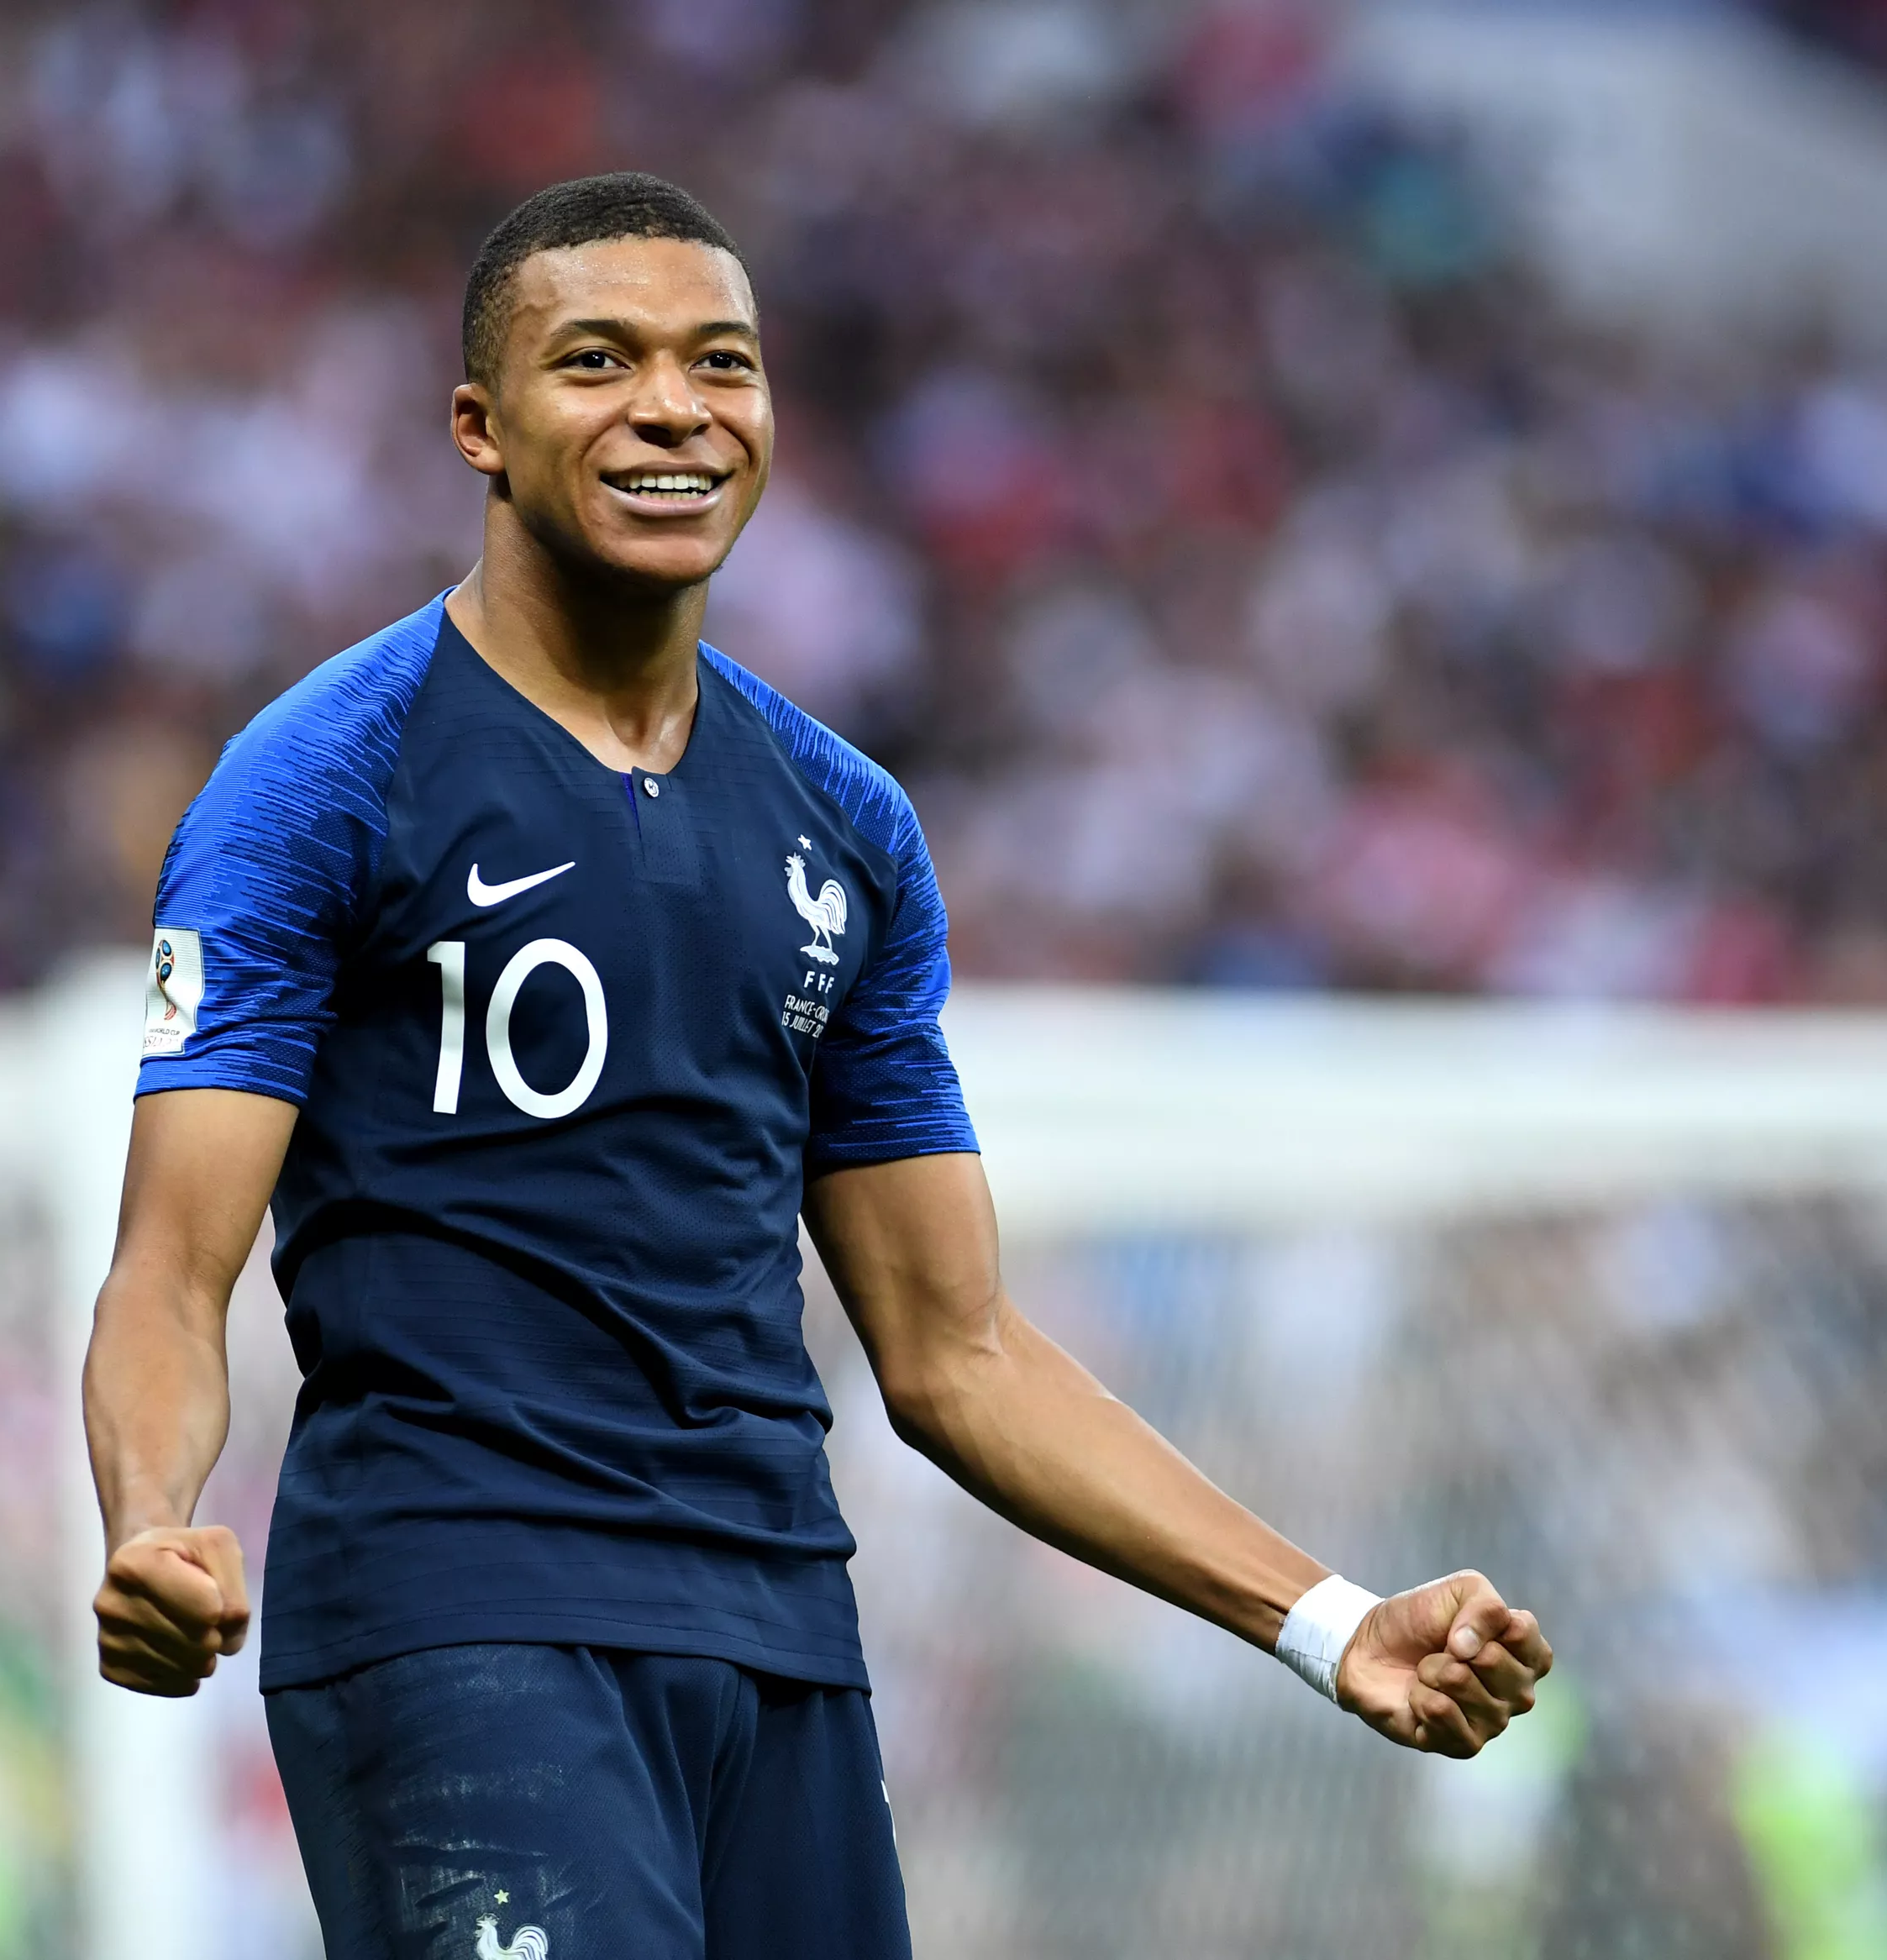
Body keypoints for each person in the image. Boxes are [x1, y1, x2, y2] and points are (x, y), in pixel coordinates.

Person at [81, 171, 1554, 1960]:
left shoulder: (843, 826)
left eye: (723, 363)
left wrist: (1326, 1618)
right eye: (597, 361)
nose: (675, 408)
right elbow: (170, 1265)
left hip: (781, 1635)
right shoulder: (319, 775)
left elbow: (956, 1349)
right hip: (463, 1613)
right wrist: (153, 1521)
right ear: (478, 425)